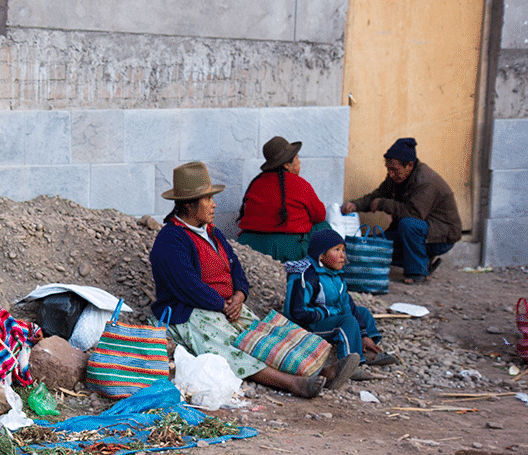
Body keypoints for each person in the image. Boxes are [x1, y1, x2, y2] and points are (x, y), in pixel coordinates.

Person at [150, 162, 358, 398]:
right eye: (207, 199)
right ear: (189, 205)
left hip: (226, 305)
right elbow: (187, 286)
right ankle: (292, 383)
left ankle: (322, 370)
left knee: (267, 334)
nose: (214, 204)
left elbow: (235, 266)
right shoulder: (171, 240)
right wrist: (223, 305)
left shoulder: (212, 232)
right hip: (188, 312)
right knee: (231, 345)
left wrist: (239, 295)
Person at [341, 137, 461, 284]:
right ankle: (423, 260)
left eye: (394, 170)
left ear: (409, 165)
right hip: (417, 232)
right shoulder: (396, 177)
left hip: (441, 236)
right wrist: (355, 205)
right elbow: (376, 196)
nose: (390, 174)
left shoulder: (426, 181)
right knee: (376, 247)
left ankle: (417, 273)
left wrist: (383, 204)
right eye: (388, 169)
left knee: (408, 224)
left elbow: (413, 214)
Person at [284, 228, 399, 374]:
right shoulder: (305, 276)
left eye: (343, 250)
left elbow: (347, 304)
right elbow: (296, 312)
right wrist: (326, 312)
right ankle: (349, 366)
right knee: (347, 322)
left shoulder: (336, 275)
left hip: (327, 318)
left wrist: (363, 334)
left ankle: (366, 351)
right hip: (306, 326)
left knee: (362, 313)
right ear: (321, 255)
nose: (342, 256)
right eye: (336, 250)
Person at [236, 136, 329, 261]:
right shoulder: (299, 184)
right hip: (286, 248)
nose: (299, 162)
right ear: (286, 164)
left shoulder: (256, 183)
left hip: (250, 245)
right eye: (297, 158)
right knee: (323, 227)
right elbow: (320, 216)